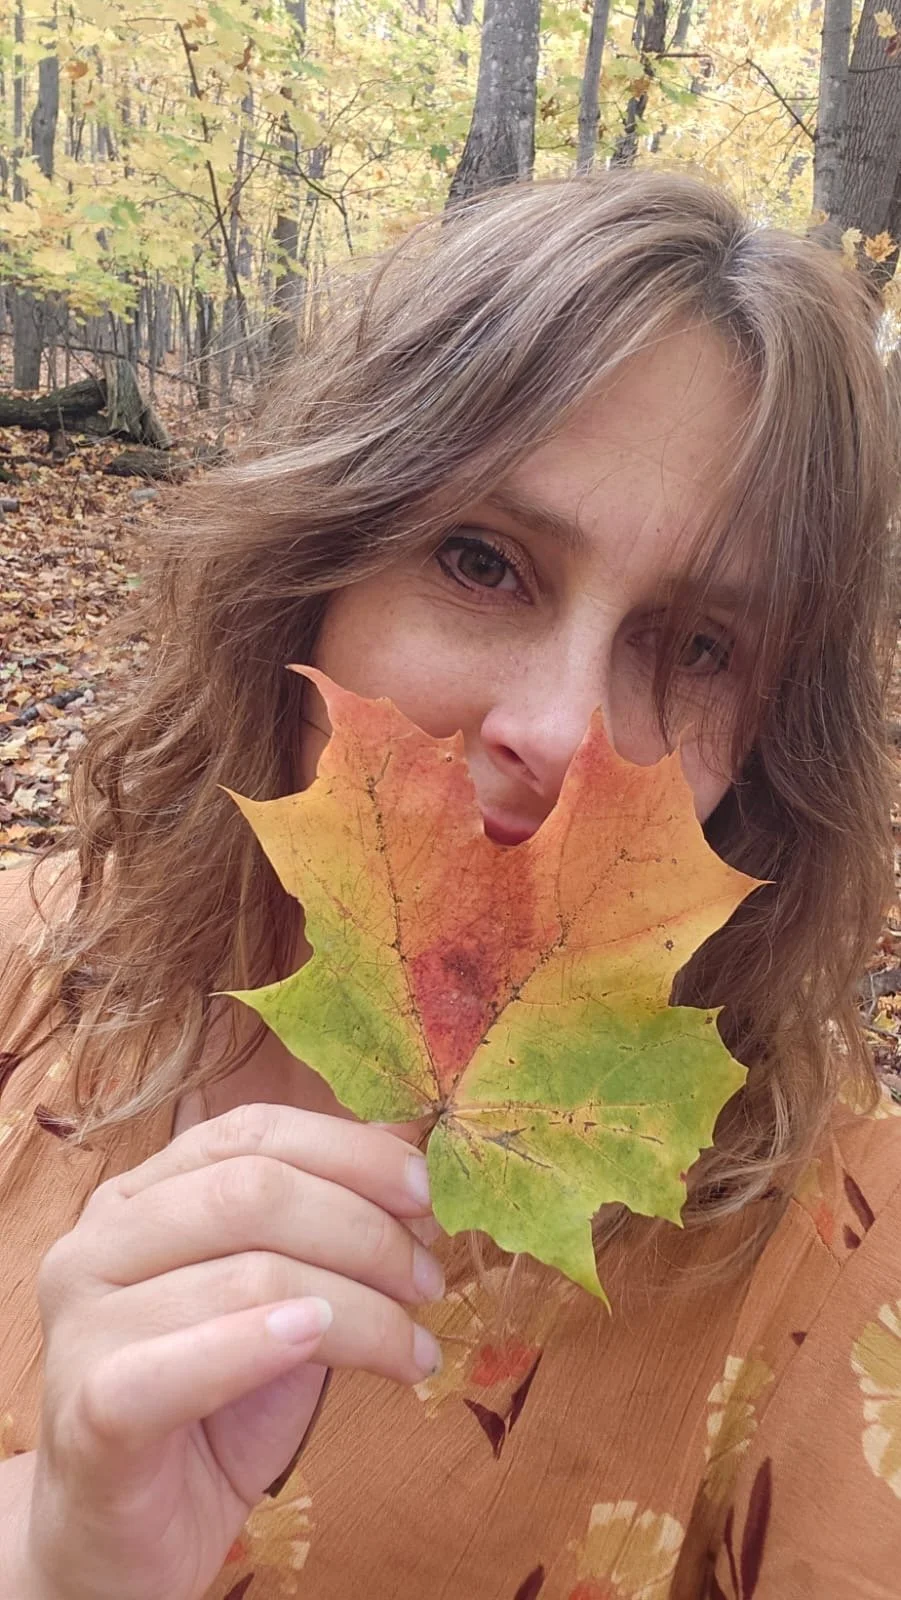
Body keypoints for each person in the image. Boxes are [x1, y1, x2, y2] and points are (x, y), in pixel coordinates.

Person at [1, 170, 900, 1600]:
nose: (555, 731)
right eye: (484, 562)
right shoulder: (30, 978)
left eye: (699, 646)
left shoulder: (837, 1267)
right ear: (312, 566)